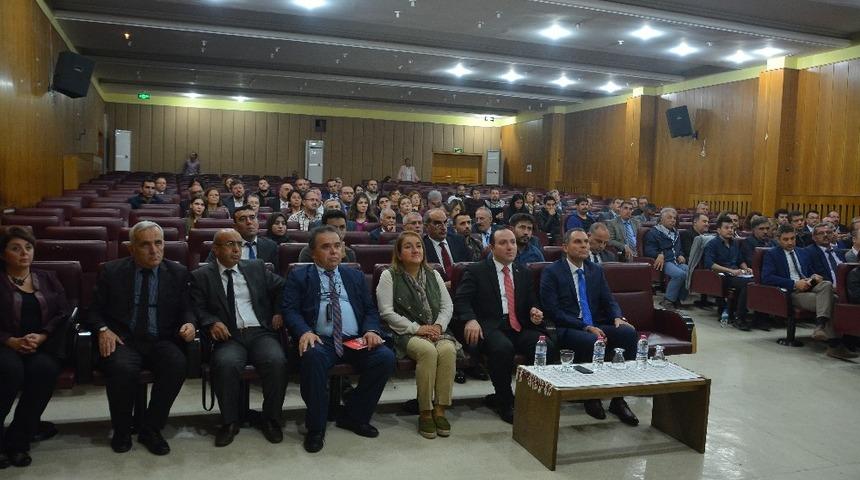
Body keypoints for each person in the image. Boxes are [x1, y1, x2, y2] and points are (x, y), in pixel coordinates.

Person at [282, 226, 396, 453]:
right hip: (320, 339)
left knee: (385, 357)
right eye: (326, 247)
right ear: (313, 253)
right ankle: (316, 427)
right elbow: (290, 310)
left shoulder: (354, 275)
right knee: (312, 358)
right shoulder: (299, 276)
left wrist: (371, 330)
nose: (334, 251)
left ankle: (355, 415)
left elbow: (370, 309)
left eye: (337, 246)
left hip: (354, 338)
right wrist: (304, 331)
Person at [87, 221, 196, 455]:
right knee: (121, 369)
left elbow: (186, 308)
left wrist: (190, 323)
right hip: (124, 339)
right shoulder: (112, 271)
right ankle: (122, 430)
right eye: (145, 245)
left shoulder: (177, 273)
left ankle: (151, 428)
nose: (154, 250)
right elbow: (93, 311)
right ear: (131, 248)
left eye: (158, 243)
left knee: (176, 364)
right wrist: (103, 329)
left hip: (161, 338)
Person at [191, 229, 287, 447]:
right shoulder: (202, 276)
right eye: (229, 245)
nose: (236, 249)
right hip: (229, 336)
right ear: (215, 249)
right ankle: (229, 422)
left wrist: (279, 311)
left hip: (259, 331)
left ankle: (271, 419)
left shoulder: (255, 267)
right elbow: (197, 307)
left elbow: (282, 287)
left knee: (276, 361)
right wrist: (211, 322)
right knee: (225, 364)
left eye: (239, 245)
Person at [453, 228, 557, 424]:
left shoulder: (523, 271)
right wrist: (470, 319)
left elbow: (532, 301)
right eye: (503, 243)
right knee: (502, 348)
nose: (510, 247)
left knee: (546, 347)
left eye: (513, 242)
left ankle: (533, 397)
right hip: (490, 326)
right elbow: (461, 301)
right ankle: (505, 401)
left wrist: (535, 311)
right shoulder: (476, 270)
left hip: (519, 326)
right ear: (492, 247)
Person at [540, 228, 639, 426]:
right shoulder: (552, 272)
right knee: (593, 340)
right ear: (565, 247)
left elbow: (608, 299)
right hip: (568, 327)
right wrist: (585, 326)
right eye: (577, 242)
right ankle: (591, 395)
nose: (584, 245)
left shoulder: (595, 270)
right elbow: (553, 310)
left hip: (596, 323)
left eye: (586, 241)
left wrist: (617, 317)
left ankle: (618, 399)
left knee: (628, 332)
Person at [0, 227, 71, 468]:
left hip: (40, 344)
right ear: (3, 254)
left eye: (28, 248)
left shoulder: (48, 277)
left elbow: (63, 312)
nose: (24, 253)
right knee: (10, 372)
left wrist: (42, 336)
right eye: (15, 248)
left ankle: (18, 441)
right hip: (4, 344)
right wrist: (10, 340)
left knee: (45, 371)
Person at [376, 232, 456, 439]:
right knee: (428, 351)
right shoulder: (389, 275)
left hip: (436, 329)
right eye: (409, 247)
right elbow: (386, 312)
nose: (415, 250)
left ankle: (440, 409)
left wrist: (438, 326)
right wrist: (417, 329)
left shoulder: (434, 274)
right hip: (405, 332)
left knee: (447, 350)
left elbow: (447, 306)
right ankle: (425, 412)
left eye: (419, 246)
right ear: (399, 253)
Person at [762, 225, 855, 360]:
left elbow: (809, 270)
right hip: (792, 291)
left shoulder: (802, 252)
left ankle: (820, 326)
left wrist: (814, 276)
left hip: (808, 284)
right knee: (833, 301)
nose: (790, 242)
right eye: (785, 239)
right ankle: (834, 346)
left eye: (792, 238)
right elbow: (767, 277)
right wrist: (794, 283)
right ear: (778, 239)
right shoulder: (772, 254)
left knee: (826, 284)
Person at [704, 216, 755, 331]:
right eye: (726, 228)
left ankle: (749, 313)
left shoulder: (735, 243)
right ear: (718, 230)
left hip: (736, 273)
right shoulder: (712, 244)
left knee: (754, 281)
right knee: (746, 285)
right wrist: (730, 271)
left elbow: (740, 260)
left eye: (732, 228)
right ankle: (739, 317)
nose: (730, 230)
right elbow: (710, 264)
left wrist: (746, 268)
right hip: (722, 276)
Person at [208, 206, 279, 272]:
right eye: (242, 219)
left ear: (258, 222)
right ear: (235, 227)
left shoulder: (271, 245)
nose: (249, 222)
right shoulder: (223, 246)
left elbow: (278, 275)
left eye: (252, 217)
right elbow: (208, 271)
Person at [644, 208, 688, 310]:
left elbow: (679, 249)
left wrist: (681, 254)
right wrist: (658, 254)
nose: (673, 220)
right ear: (661, 220)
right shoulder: (653, 232)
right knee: (680, 274)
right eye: (669, 218)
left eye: (674, 218)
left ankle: (677, 298)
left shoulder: (676, 233)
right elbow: (648, 250)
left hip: (676, 260)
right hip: (664, 261)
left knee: (689, 271)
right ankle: (668, 300)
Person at [422, 208, 470, 276]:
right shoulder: (422, 246)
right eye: (437, 224)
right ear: (426, 226)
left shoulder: (459, 240)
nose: (443, 227)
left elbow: (469, 267)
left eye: (445, 222)